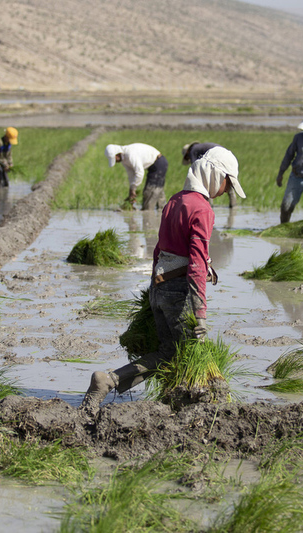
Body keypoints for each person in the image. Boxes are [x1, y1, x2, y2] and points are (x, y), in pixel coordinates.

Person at [81, 147, 246, 413]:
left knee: (169, 352)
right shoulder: (202, 209)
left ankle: (121, 385)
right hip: (178, 293)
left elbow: (158, 250)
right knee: (188, 351)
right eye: (228, 183)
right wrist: (200, 315)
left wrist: (153, 290)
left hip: (160, 288)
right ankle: (112, 381)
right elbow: (196, 265)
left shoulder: (174, 200)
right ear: (215, 175)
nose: (227, 190)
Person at [105, 143, 167, 210]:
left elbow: (139, 172)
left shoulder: (130, 154)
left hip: (158, 163)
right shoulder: (124, 160)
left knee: (150, 191)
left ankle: (148, 214)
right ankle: (162, 214)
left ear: (117, 154)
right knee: (157, 192)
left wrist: (133, 188)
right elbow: (131, 174)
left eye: (115, 159)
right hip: (153, 166)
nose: (116, 162)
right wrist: (132, 189)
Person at [182, 141, 238, 208]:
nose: (188, 158)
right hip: (225, 158)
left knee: (209, 184)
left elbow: (196, 169)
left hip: (218, 160)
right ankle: (233, 206)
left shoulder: (192, 151)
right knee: (228, 184)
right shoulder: (200, 147)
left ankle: (209, 205)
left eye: (187, 157)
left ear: (187, 152)